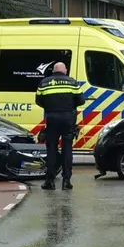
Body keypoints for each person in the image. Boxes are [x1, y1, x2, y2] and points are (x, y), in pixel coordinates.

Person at [35, 62, 84, 190]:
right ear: (65, 71)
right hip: (68, 119)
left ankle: (49, 181)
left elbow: (38, 100)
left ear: (53, 71)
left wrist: (50, 107)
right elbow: (81, 100)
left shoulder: (44, 83)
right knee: (67, 148)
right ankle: (66, 181)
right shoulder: (72, 82)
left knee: (51, 149)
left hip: (52, 118)